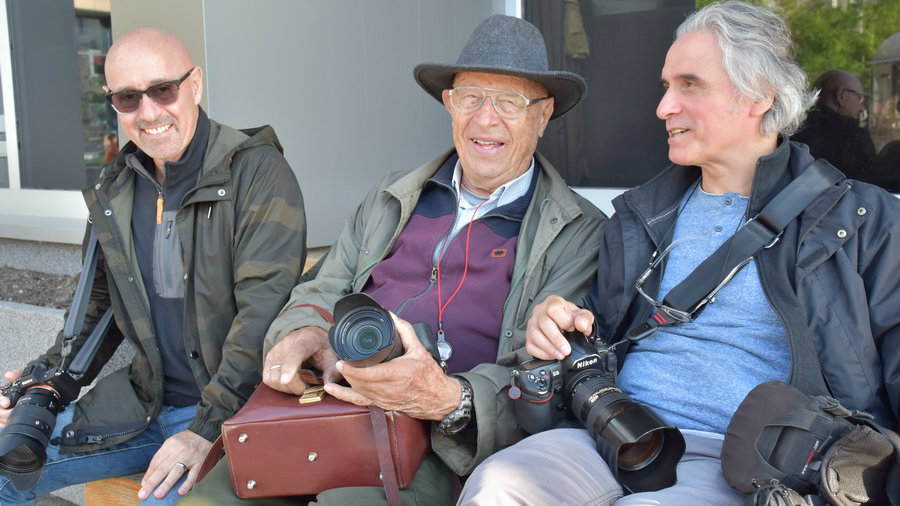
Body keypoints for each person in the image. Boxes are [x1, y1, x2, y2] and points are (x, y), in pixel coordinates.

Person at [458, 2, 899, 505]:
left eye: (690, 85)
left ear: (759, 95)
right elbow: (602, 338)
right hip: (618, 435)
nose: (664, 107)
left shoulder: (859, 221)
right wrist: (560, 328)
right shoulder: (642, 217)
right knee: (498, 485)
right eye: (666, 87)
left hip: (745, 468)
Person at [182, 14, 606, 506]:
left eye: (510, 101)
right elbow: (321, 288)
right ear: (449, 103)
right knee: (210, 501)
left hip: (441, 444)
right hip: (330, 411)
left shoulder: (579, 231)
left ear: (543, 113)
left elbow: (549, 376)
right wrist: (304, 335)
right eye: (471, 96)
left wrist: (449, 399)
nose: (486, 119)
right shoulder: (391, 195)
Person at [0, 28, 307, 506]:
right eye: (127, 98)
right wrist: (45, 378)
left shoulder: (256, 172)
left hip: (232, 413)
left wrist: (205, 429)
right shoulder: (117, 184)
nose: (148, 112)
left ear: (195, 84)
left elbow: (262, 317)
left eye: (163, 89)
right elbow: (99, 305)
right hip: (143, 407)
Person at [792, 68, 877, 182]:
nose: (862, 108)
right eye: (859, 98)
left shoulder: (794, 134)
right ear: (841, 95)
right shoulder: (855, 138)